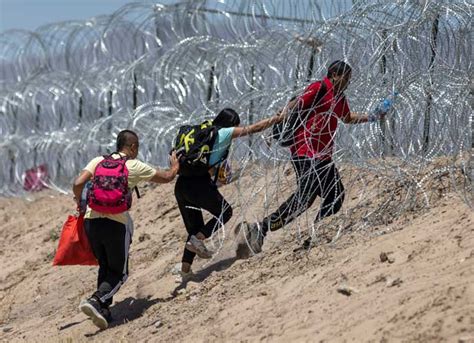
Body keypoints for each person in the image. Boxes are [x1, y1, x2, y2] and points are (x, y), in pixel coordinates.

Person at [238, 60, 388, 255]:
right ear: (334, 75)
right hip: (305, 152)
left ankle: (317, 233)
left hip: (323, 156)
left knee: (335, 195)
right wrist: (276, 125)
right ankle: (261, 228)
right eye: (346, 77)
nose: (348, 82)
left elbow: (347, 118)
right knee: (306, 197)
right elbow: (296, 104)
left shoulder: (339, 97)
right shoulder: (320, 87)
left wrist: (372, 117)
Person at [72, 129, 179, 329]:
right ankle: (95, 300)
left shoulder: (98, 161)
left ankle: (103, 308)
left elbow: (78, 183)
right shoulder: (133, 165)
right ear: (132, 147)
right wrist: (175, 165)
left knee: (105, 265)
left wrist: (80, 203)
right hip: (116, 224)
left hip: (91, 222)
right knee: (120, 273)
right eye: (136, 147)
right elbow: (167, 177)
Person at [174, 108, 283, 281]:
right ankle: (198, 240)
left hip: (181, 186)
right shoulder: (224, 132)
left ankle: (185, 270)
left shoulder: (204, 131)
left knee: (195, 229)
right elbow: (253, 129)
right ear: (232, 124)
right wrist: (276, 119)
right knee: (225, 212)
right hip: (198, 184)